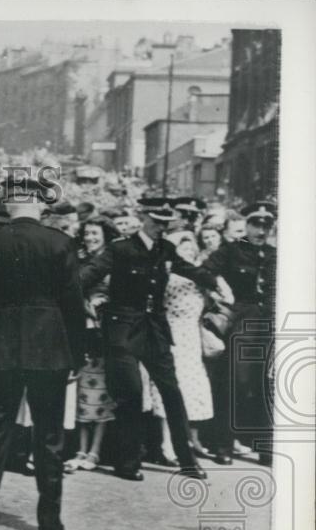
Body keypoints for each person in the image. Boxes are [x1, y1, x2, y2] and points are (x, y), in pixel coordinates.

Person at [0, 176, 86, 530]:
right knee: (49, 436)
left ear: (8, 206)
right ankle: (49, 522)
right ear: (38, 205)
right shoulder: (60, 242)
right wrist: (76, 353)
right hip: (49, 349)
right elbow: (73, 304)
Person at [80, 201, 233, 482]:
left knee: (172, 393)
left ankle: (187, 462)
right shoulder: (120, 248)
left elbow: (190, 269)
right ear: (142, 217)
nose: (161, 226)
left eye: (165, 221)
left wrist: (215, 282)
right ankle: (128, 463)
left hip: (154, 331)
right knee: (132, 395)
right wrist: (86, 298)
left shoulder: (165, 249)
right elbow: (87, 275)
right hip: (123, 330)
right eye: (156, 220)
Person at [202, 202, 277, 465]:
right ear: (247, 225)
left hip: (271, 324)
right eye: (256, 224)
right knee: (236, 383)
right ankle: (223, 445)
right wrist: (218, 289)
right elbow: (206, 271)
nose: (261, 230)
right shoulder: (232, 251)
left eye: (267, 225)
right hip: (242, 324)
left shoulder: (276, 254)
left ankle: (265, 447)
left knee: (268, 386)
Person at [66, 217, 117, 472]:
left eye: (95, 233)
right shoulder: (79, 259)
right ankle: (80, 448)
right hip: (82, 330)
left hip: (104, 332)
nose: (90, 238)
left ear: (105, 235)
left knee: (102, 392)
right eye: (87, 233)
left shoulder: (113, 260)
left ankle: (95, 451)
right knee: (82, 392)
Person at [162, 232, 214, 458]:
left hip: (192, 336)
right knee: (174, 386)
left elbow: (224, 299)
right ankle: (168, 443)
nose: (188, 255)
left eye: (191, 251)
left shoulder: (201, 276)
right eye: (183, 251)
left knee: (193, 387)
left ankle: (193, 439)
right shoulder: (166, 275)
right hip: (171, 334)